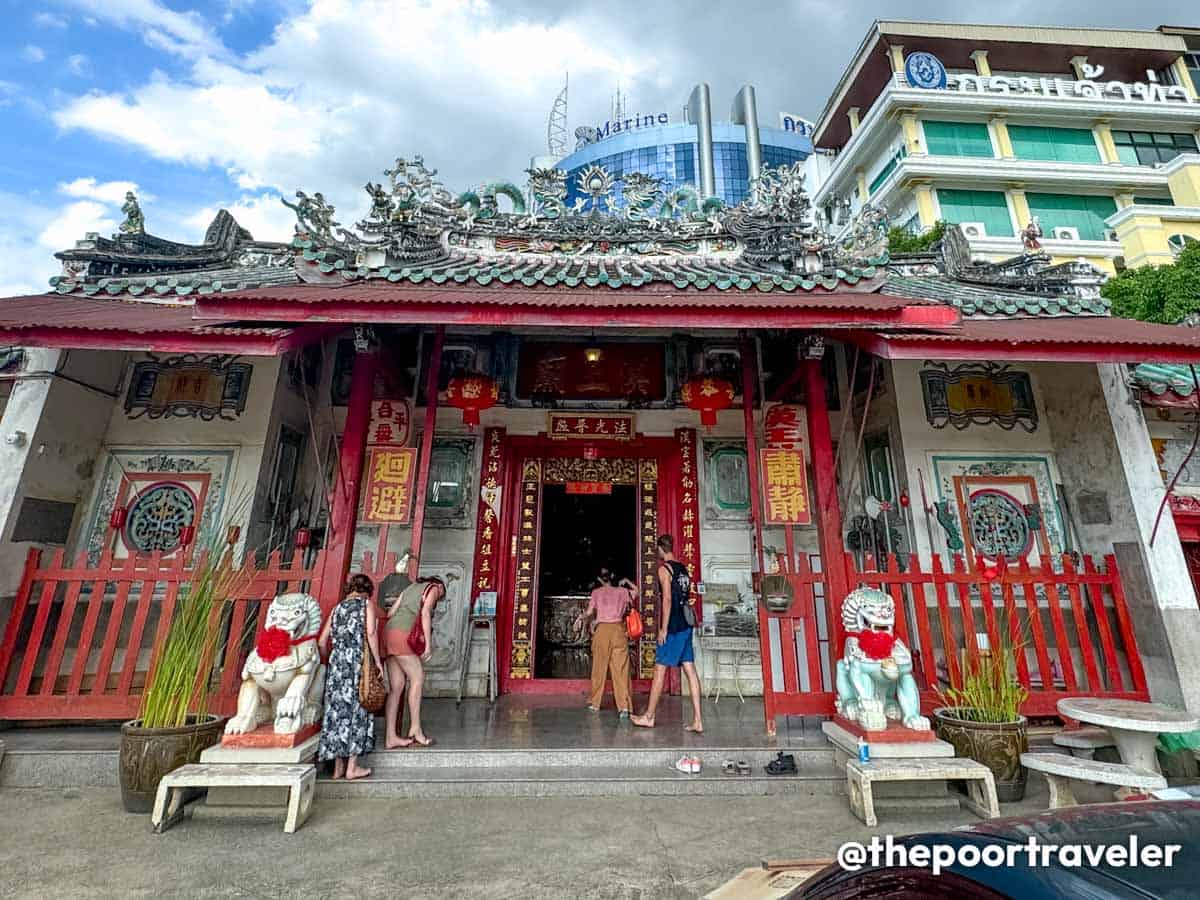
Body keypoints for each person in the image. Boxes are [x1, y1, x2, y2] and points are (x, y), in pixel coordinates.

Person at [632, 535, 703, 733]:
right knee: (690, 670)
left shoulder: (664, 570)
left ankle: (649, 716)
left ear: (661, 550)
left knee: (659, 670)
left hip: (673, 628)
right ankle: (698, 720)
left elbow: (668, 600)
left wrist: (663, 628)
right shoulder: (682, 569)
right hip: (686, 625)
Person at [318, 573, 384, 779]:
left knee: (337, 713)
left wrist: (331, 659)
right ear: (367, 591)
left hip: (337, 664)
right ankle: (352, 767)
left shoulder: (337, 608)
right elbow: (371, 634)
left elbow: (322, 641)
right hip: (357, 663)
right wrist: (378, 662)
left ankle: (338, 767)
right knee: (357, 711)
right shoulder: (366, 606)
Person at [382, 574, 446, 747]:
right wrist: (428, 645)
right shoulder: (433, 588)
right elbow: (425, 613)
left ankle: (390, 737)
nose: (438, 598)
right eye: (441, 596)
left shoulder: (409, 588)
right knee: (417, 679)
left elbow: (390, 613)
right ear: (439, 586)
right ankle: (415, 729)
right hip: (403, 634)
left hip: (389, 634)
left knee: (396, 688)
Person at [578, 568, 636, 717]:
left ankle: (595, 703)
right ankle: (624, 707)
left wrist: (580, 618)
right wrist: (627, 581)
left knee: (599, 668)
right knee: (621, 670)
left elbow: (589, 613)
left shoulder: (596, 593)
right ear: (612, 577)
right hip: (618, 631)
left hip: (602, 631)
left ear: (599, 579)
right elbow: (637, 591)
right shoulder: (623, 592)